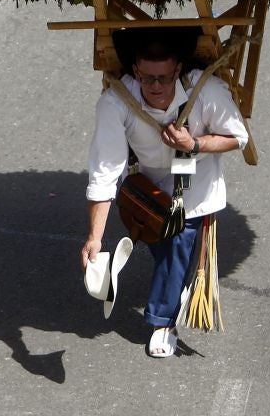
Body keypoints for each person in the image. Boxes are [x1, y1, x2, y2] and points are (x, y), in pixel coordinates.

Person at [80, 26, 248, 357]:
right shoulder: (115, 102)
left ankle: (162, 322)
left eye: (164, 78)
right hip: (146, 191)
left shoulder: (208, 92)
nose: (156, 86)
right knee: (166, 251)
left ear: (178, 71)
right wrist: (94, 238)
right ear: (135, 71)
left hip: (195, 187)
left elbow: (237, 137)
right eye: (147, 78)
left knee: (176, 245)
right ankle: (176, 284)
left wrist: (194, 144)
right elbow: (104, 171)